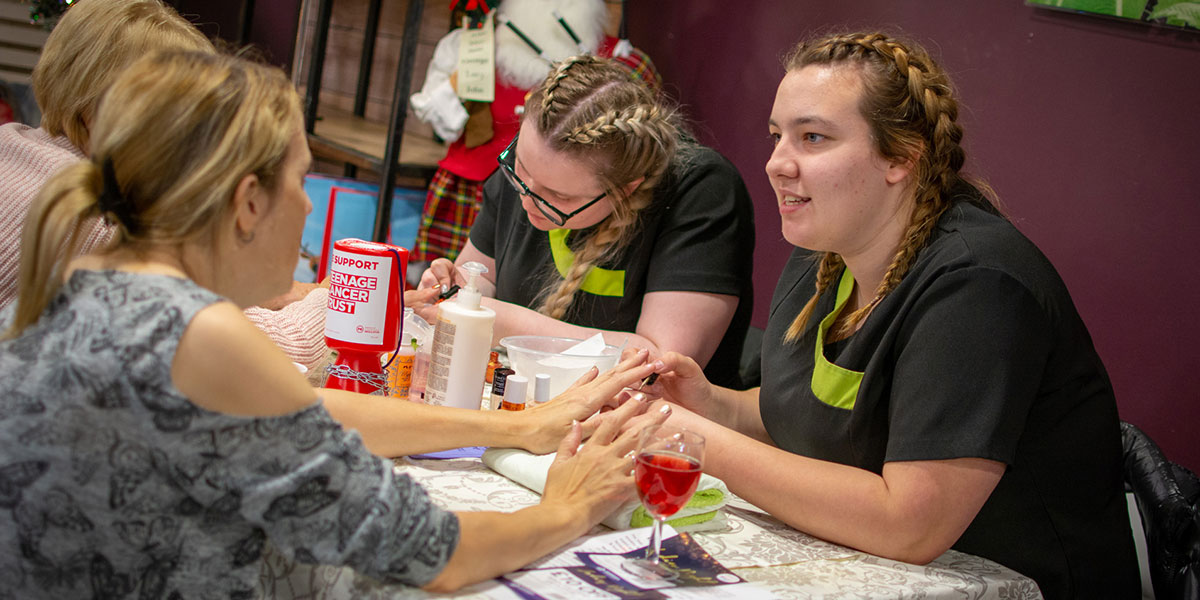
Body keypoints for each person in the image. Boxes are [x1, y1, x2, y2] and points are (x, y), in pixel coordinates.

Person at [0, 49, 667, 596]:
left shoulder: (88, 282)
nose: (307, 212)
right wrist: (567, 509)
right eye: (301, 181)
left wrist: (516, 426)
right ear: (247, 203)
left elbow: (309, 413)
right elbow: (433, 551)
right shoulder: (201, 335)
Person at [638, 32, 1139, 599]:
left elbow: (910, 525)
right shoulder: (827, 254)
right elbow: (815, 409)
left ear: (901, 156)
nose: (777, 163)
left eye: (813, 138)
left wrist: (697, 439)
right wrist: (714, 405)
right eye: (777, 136)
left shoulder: (978, 286)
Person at [0, 0, 331, 372]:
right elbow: (260, 347)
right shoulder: (98, 215)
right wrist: (339, 303)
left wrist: (308, 292)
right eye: (186, 124)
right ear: (102, 116)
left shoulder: (14, 143)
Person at [416, 55, 755, 389]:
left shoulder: (701, 190)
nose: (525, 199)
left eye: (559, 197)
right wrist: (457, 291)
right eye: (521, 170)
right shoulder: (531, 177)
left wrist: (507, 323)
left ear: (626, 190)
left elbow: (661, 367)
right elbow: (479, 281)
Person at [408, 0, 660, 279]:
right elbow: (438, 119)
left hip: (573, 210)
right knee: (456, 280)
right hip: (473, 188)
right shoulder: (474, 46)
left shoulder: (620, 59)